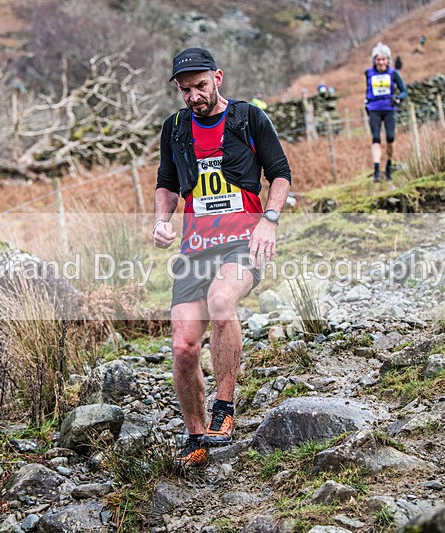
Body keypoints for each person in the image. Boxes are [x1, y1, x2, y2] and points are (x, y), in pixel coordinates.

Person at [154, 47, 291, 467]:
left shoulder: (248, 119)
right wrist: (161, 220)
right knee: (183, 347)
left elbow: (280, 174)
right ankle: (196, 436)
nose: (193, 96)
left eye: (199, 86)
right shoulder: (175, 129)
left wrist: (269, 220)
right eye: (184, 90)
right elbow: (167, 183)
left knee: (220, 301)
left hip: (243, 242)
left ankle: (224, 409)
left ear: (218, 77)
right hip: (194, 249)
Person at [364, 42, 407, 182]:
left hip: (389, 108)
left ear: (388, 60)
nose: (381, 62)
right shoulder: (368, 73)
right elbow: (368, 89)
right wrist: (367, 101)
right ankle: (376, 169)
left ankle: (389, 164)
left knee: (390, 138)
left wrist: (398, 99)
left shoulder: (393, 73)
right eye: (378, 59)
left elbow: (404, 91)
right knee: (375, 138)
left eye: (383, 59)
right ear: (374, 61)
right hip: (374, 109)